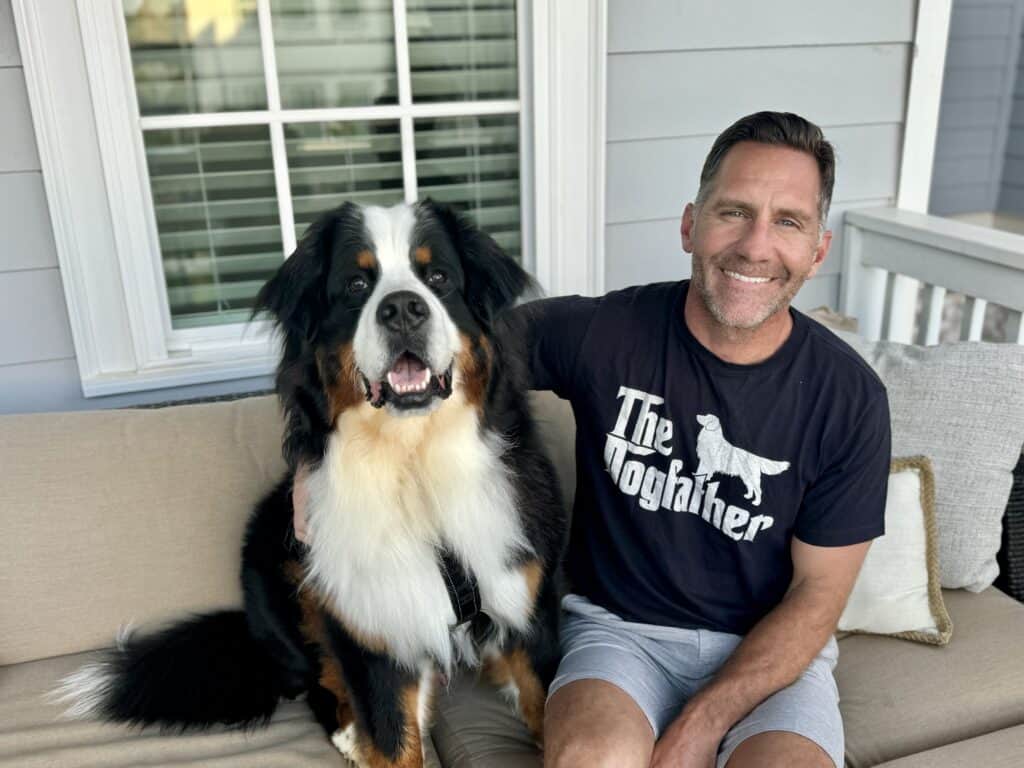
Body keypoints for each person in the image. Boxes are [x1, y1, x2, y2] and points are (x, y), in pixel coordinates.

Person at [294, 111, 891, 768]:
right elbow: (437, 356)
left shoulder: (850, 398)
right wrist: (310, 465)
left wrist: (701, 723)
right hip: (619, 637)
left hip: (770, 657)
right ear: (691, 224)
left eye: (788, 221)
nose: (754, 245)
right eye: (734, 212)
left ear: (817, 249)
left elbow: (818, 596)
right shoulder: (606, 333)